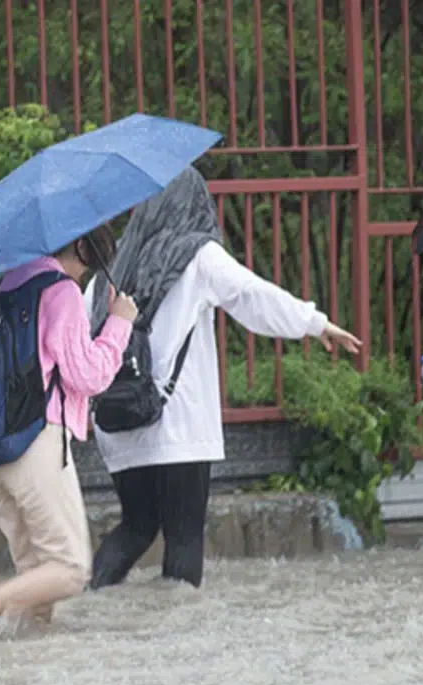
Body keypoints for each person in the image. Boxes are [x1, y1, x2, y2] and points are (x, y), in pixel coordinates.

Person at [85, 168, 362, 590]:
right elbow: (252, 295)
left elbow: (88, 326)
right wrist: (315, 323)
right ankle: (179, 635)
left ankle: (88, 598)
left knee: (137, 527)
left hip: (118, 418)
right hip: (177, 425)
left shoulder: (118, 261)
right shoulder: (197, 255)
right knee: (184, 535)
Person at [0, 225, 136, 637]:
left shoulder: (0, 291)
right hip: (34, 444)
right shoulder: (60, 291)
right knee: (69, 568)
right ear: (82, 245)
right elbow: (87, 376)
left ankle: (30, 671)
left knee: (35, 580)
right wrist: (119, 325)